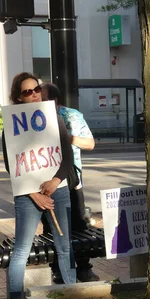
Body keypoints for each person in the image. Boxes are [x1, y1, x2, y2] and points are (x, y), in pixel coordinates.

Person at [3, 73, 76, 299]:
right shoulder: (11, 125)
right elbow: (11, 166)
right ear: (17, 96)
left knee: (65, 247)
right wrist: (34, 194)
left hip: (58, 190)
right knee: (21, 250)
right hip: (27, 195)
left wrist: (54, 183)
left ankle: (72, 295)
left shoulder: (54, 119)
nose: (33, 94)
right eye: (27, 92)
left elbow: (67, 158)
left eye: (36, 89)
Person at [41, 83, 99, 283]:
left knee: (77, 226)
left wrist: (65, 137)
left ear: (55, 101)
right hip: (45, 182)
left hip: (71, 180)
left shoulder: (71, 115)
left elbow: (89, 143)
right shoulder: (35, 118)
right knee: (51, 228)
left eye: (43, 99)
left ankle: (83, 268)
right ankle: (58, 269)